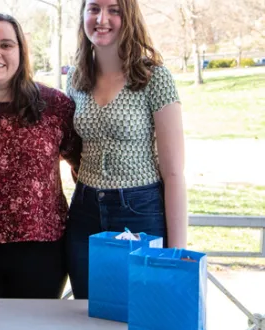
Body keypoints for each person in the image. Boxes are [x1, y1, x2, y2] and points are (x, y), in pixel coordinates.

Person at [0, 13, 81, 299]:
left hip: (42, 250)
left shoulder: (55, 106)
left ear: (21, 51)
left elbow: (81, 164)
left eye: (6, 45)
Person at [65, 0, 188, 299]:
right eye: (93, 8)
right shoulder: (76, 79)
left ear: (128, 16)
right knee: (88, 311)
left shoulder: (154, 78)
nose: (102, 18)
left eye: (114, 10)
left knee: (143, 310)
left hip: (140, 211)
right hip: (84, 211)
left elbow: (174, 173)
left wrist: (179, 251)